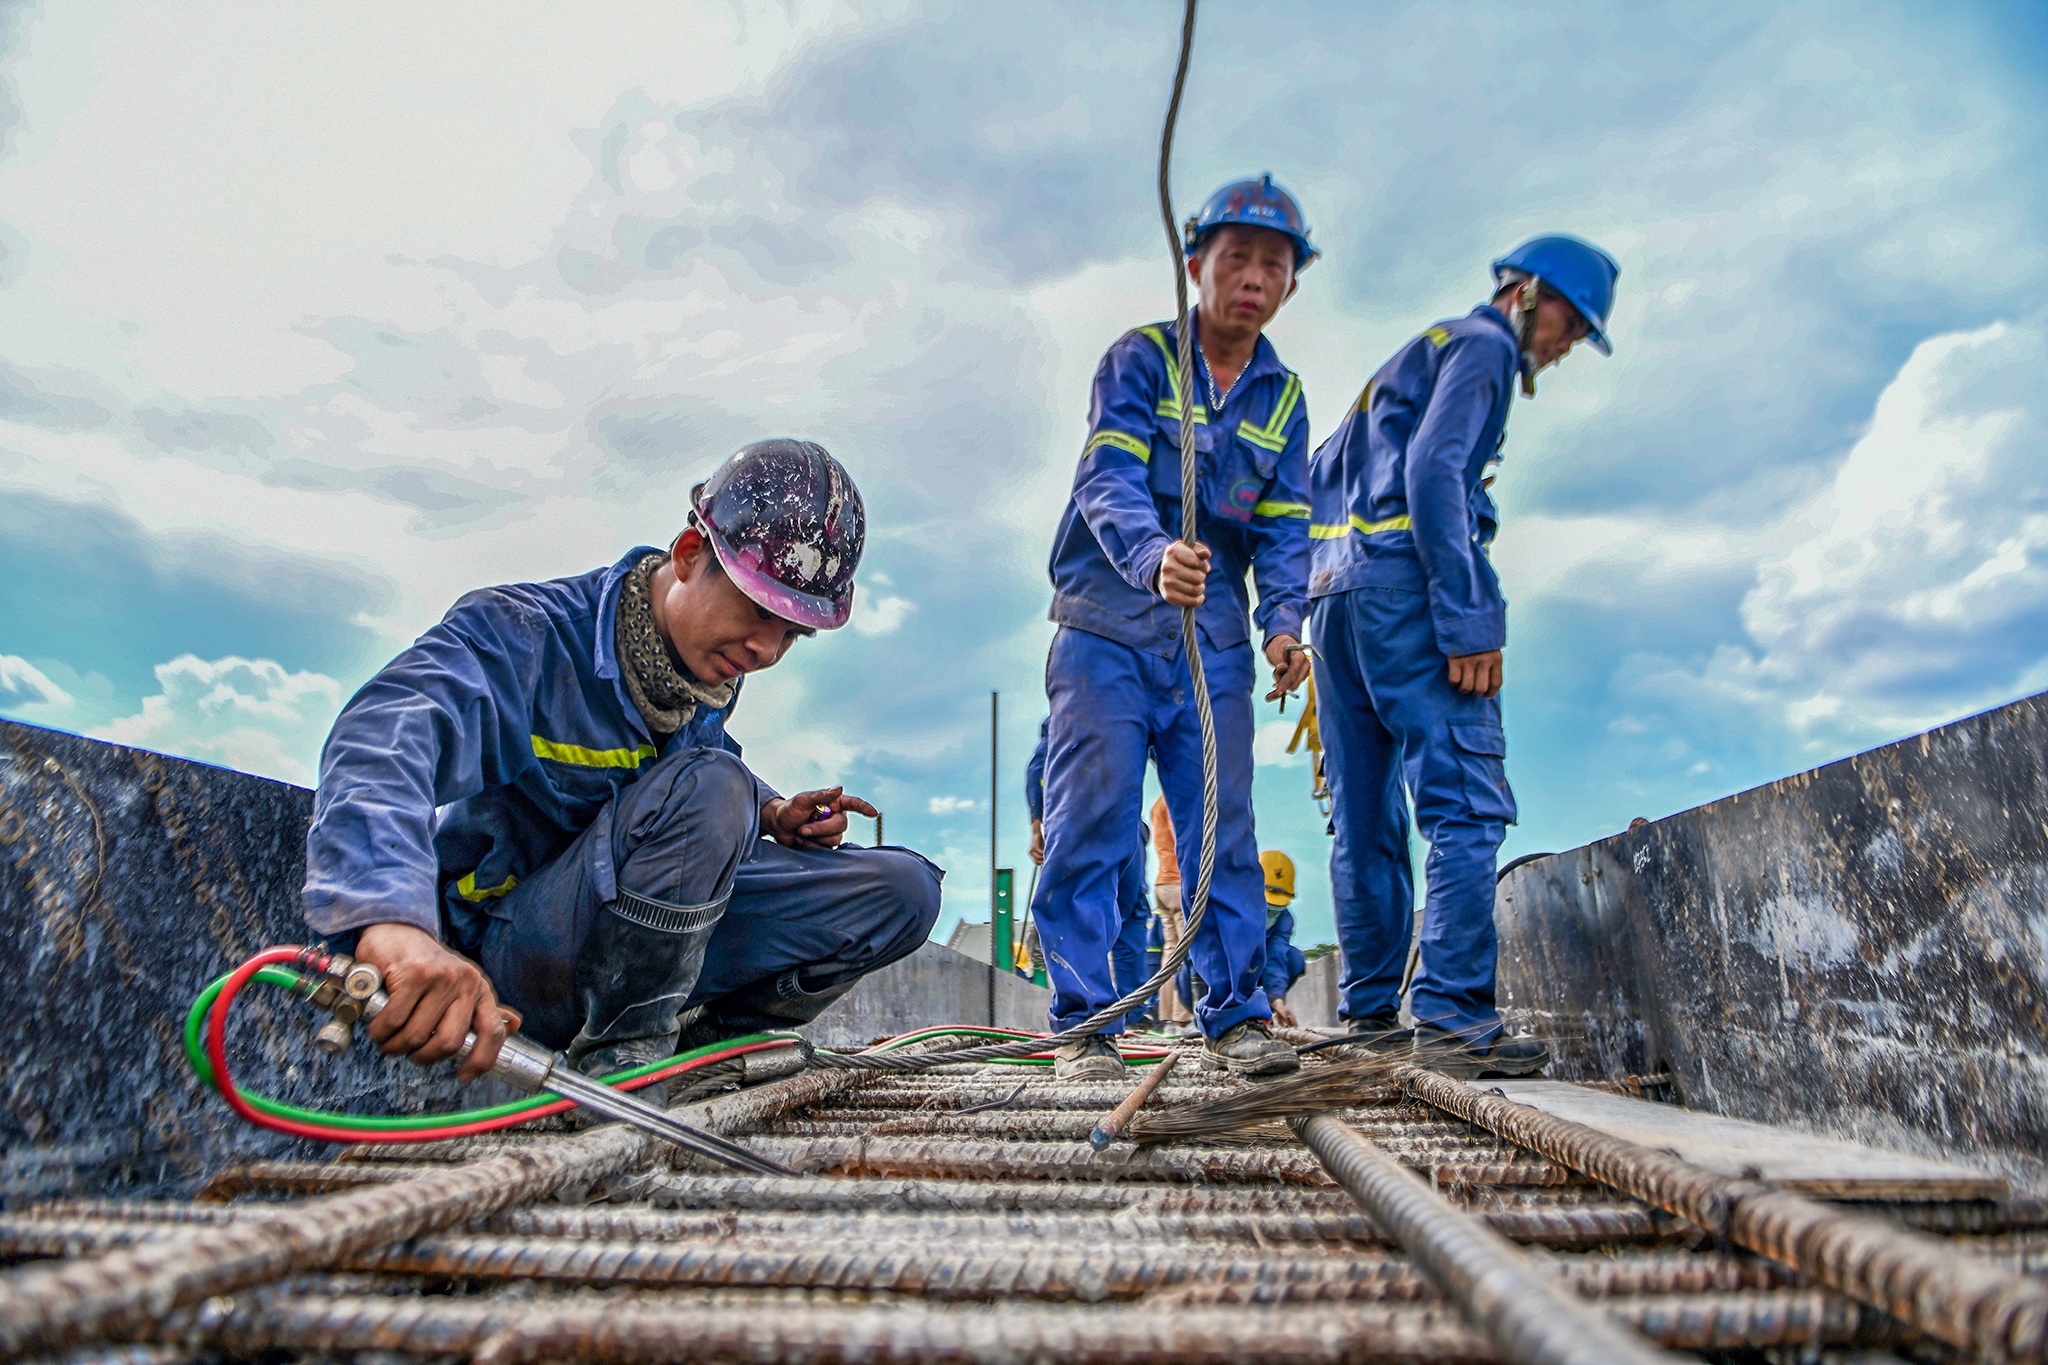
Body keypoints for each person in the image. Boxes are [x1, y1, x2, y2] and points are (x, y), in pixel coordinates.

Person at [300, 439, 944, 1092]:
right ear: (691, 555)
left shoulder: (707, 671)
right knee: (714, 788)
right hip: (515, 956)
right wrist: (394, 925)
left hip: (639, 957)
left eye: (791, 634)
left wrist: (774, 813)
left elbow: (698, 770)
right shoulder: (527, 637)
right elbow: (382, 737)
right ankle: (623, 1068)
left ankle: (705, 1055)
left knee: (903, 892)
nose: (767, 650)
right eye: (759, 612)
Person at [1306, 235, 1619, 1077]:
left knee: (1366, 814)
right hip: (1410, 596)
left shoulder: (1413, 359)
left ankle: (1371, 1012)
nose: (1567, 344)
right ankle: (1450, 1016)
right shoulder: (1482, 347)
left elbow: (1318, 484)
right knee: (1465, 802)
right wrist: (1470, 613)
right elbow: (1436, 471)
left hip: (1337, 605)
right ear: (1525, 293)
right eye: (1571, 321)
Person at [1031, 174, 1318, 1080]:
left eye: (1273, 263)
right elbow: (1104, 475)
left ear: (1292, 284)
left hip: (1212, 641)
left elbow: (1284, 525)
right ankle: (1085, 1025)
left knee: (1222, 826)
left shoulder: (1283, 398)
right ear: (1196, 264)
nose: (1253, 277)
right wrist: (1153, 553)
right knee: (1093, 818)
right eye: (1236, 257)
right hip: (1108, 626)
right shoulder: (1142, 359)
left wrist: (1282, 625)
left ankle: (1234, 1017)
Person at [1027, 719, 1153, 1033]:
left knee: (1085, 903)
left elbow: (1038, 770)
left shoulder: (1066, 717)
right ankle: (1126, 1013)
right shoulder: (1132, 707)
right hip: (1121, 821)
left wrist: (1037, 824)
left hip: (1085, 822)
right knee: (1127, 912)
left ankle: (1091, 1014)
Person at [1258, 849, 1308, 1027]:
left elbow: (1275, 956)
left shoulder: (1283, 919)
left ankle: (1260, 1013)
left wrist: (1277, 1001)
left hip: (1257, 968)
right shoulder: (1236, 909)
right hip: (1216, 975)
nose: (1273, 909)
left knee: (1294, 959)